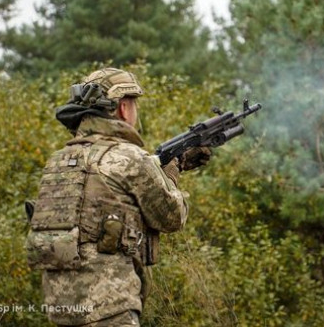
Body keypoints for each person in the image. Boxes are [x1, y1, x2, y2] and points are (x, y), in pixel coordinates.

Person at [25, 67, 211, 326]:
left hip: (62, 307)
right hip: (110, 306)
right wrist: (171, 173)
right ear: (123, 107)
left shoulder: (58, 161)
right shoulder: (129, 157)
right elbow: (172, 217)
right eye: (133, 104)